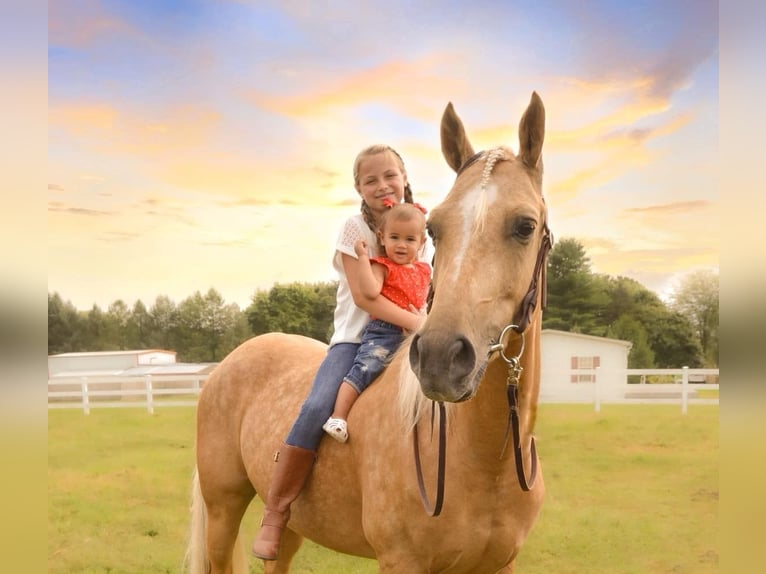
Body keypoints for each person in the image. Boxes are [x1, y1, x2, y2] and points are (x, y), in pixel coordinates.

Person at [252, 144, 428, 561]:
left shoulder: (424, 224)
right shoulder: (355, 230)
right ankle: (276, 511)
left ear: (404, 177)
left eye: (390, 175)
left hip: (414, 337)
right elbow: (367, 297)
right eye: (371, 180)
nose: (382, 185)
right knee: (315, 407)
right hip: (358, 338)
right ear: (358, 188)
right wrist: (419, 323)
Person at [321, 202, 430, 443]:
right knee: (366, 367)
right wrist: (363, 258)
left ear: (421, 243)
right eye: (395, 237)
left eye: (410, 239)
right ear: (382, 238)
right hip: (385, 332)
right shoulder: (383, 266)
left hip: (413, 332)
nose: (401, 245)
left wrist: (424, 319)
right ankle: (338, 416)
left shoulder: (424, 270)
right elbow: (370, 293)